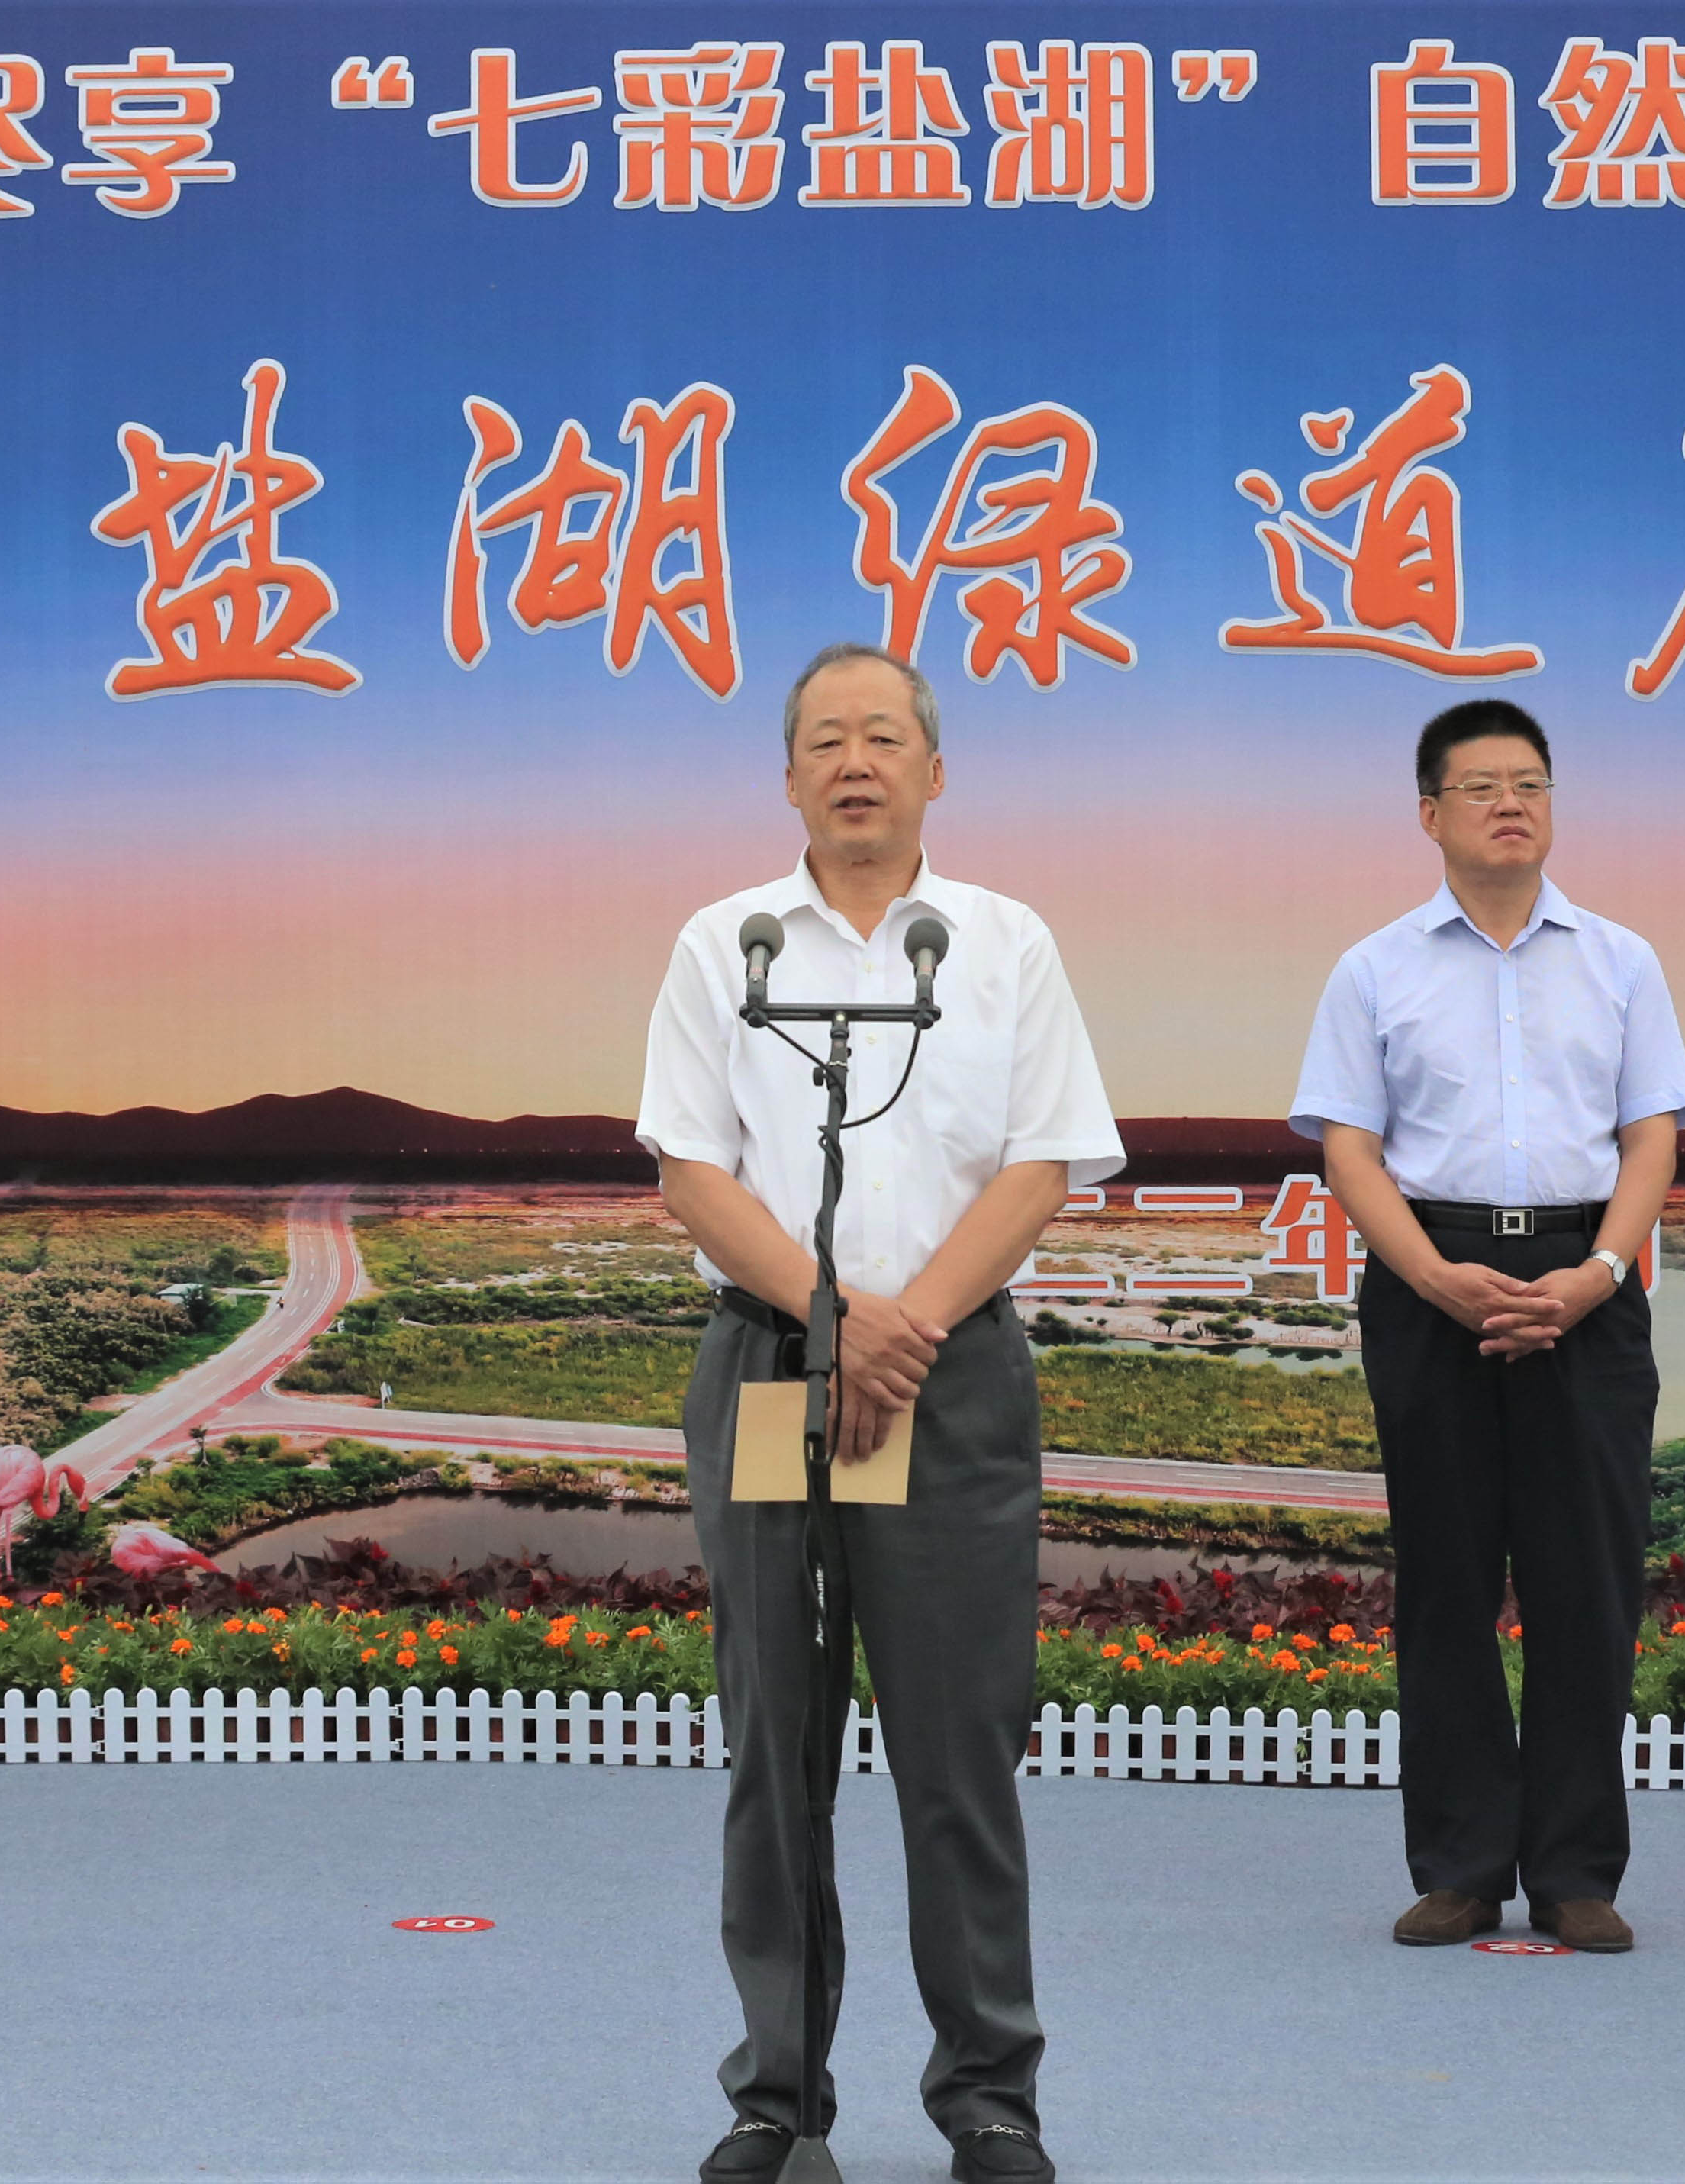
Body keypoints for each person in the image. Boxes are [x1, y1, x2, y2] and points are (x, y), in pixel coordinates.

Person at [639, 643, 1123, 2184]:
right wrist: (832, 1316)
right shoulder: (724, 944)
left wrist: (901, 1333)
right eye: (826, 741)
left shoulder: (999, 943)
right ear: (787, 778)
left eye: (884, 738)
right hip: (772, 1365)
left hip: (949, 1375)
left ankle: (989, 2096)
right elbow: (691, 1169)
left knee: (955, 1747)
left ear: (934, 771)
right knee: (774, 1743)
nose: (855, 763)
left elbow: (1041, 1161)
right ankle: (776, 2100)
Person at [1290, 698, 1685, 1955]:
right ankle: (1460, 1867)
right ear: (1429, 814)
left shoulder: (1621, 960)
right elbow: (1348, 1150)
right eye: (1479, 786)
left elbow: (1650, 1137)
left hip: (1585, 1283)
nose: (1509, 803)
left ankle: (1574, 1872)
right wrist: (1430, 1275)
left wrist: (1596, 1273)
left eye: (1529, 782)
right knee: (1447, 1581)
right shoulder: (1373, 968)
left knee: (1587, 1583)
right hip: (1432, 1286)